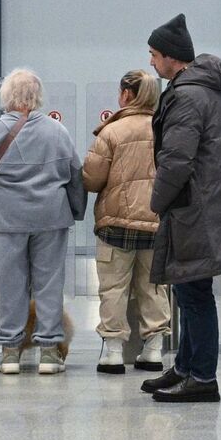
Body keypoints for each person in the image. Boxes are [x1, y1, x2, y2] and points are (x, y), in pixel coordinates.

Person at [142, 14, 221, 404]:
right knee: (189, 288)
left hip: (196, 207)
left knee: (194, 293)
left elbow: (177, 160)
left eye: (154, 54)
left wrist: (156, 202)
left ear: (171, 56)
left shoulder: (187, 96)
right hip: (205, 204)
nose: (151, 62)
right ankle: (185, 367)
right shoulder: (205, 90)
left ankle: (202, 377)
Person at [0, 68, 84, 376]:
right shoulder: (57, 131)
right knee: (49, 285)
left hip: (8, 220)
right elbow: (75, 175)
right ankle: (49, 353)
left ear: (7, 97)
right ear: (38, 97)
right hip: (51, 218)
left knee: (9, 285)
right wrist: (76, 211)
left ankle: (10, 353)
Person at [82, 69, 173, 375]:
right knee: (154, 288)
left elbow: (92, 179)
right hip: (155, 222)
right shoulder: (165, 129)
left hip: (115, 225)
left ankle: (113, 352)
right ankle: (153, 350)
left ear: (127, 94)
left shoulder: (111, 132)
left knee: (113, 288)